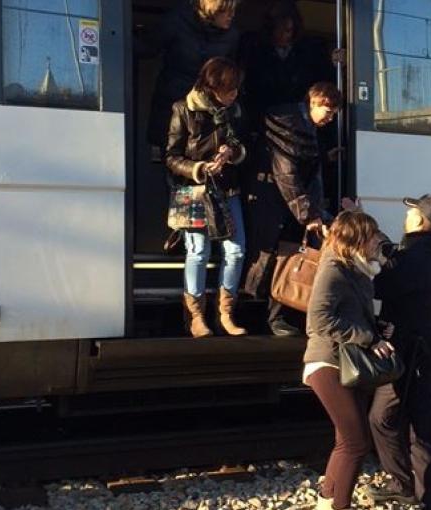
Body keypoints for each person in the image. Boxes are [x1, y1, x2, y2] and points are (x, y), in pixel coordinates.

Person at [303, 211, 395, 510]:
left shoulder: (356, 269)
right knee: (356, 443)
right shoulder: (333, 267)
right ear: (355, 236)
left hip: (341, 363)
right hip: (327, 362)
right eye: (372, 233)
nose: (377, 239)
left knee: (347, 442)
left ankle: (327, 502)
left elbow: (350, 315)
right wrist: (369, 339)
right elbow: (319, 318)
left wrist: (378, 328)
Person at [367, 194, 431, 509]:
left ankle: (416, 492)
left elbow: (384, 282)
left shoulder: (416, 256)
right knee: (408, 423)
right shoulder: (421, 251)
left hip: (413, 354)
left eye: (411, 211)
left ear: (419, 220)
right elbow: (394, 257)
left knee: (391, 420)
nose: (407, 215)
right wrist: (369, 229)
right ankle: (414, 490)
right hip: (418, 350)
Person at [244, 82, 342, 336]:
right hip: (276, 201)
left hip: (282, 201)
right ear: (314, 103)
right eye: (328, 112)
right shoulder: (290, 124)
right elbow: (287, 173)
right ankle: (271, 317)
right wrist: (309, 213)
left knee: (283, 256)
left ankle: (275, 316)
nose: (330, 119)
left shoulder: (298, 122)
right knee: (277, 256)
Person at [165, 57, 249, 338]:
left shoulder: (234, 110)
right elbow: (171, 157)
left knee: (236, 251)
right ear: (212, 87)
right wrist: (199, 168)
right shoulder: (183, 109)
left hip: (227, 188)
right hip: (195, 190)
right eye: (229, 89)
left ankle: (225, 312)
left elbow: (243, 145)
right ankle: (196, 315)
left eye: (236, 89)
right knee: (198, 252)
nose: (234, 94)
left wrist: (232, 153)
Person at [141, 0, 241, 154]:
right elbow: (147, 47)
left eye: (233, 10)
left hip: (209, 112)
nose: (232, 15)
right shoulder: (177, 21)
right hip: (173, 104)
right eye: (226, 11)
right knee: (173, 158)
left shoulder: (232, 36)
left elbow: (231, 74)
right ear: (212, 9)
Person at [241, 0, 337, 124]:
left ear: (295, 29)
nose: (282, 36)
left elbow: (325, 82)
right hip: (267, 119)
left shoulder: (311, 51)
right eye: (276, 30)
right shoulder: (256, 51)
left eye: (287, 30)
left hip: (304, 118)